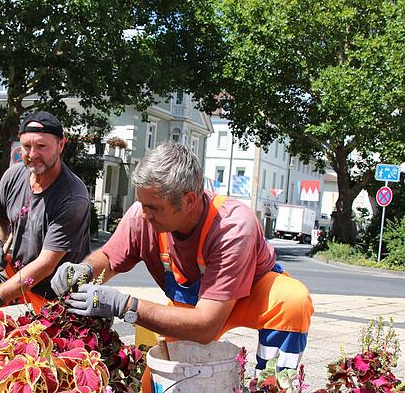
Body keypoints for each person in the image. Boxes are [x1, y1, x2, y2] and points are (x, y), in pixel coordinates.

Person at [51, 141, 313, 378]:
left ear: (189, 200)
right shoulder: (143, 215)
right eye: (141, 203)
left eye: (153, 207)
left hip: (244, 299)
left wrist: (125, 305)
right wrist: (84, 268)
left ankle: (273, 382)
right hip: (193, 309)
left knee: (290, 301)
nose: (143, 215)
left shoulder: (231, 227)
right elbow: (109, 257)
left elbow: (206, 326)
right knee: (167, 380)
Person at [0, 111, 91, 312]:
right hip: (16, 269)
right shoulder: (14, 175)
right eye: (26, 146)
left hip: (53, 291)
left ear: (61, 146)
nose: (32, 155)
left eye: (41, 146)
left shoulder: (73, 197)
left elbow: (46, 264)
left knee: (15, 333)